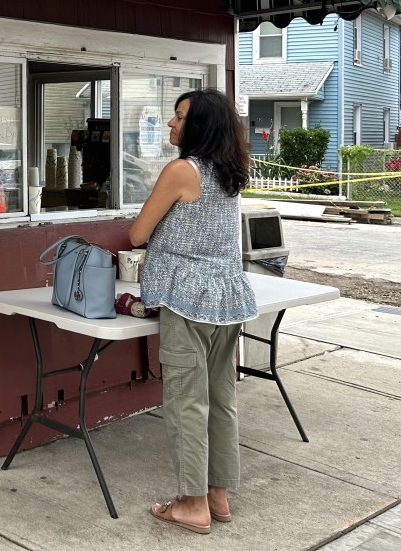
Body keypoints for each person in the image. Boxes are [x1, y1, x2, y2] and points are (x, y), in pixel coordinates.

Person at [129, 88, 257, 534]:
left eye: (179, 117)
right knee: (222, 400)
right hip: (228, 298)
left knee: (187, 402)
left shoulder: (181, 170)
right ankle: (218, 497)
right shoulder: (231, 171)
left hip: (186, 300)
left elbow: (137, 233)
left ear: (199, 125)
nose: (171, 124)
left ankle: (191, 503)